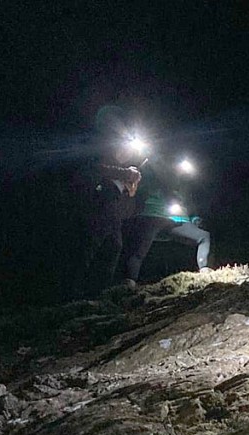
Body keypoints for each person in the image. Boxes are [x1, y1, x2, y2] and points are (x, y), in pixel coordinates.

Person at [74, 109, 144, 297]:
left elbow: (128, 198)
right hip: (96, 208)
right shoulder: (105, 155)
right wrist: (126, 173)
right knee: (89, 248)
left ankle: (98, 292)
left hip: (114, 214)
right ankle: (74, 292)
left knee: (113, 248)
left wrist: (131, 185)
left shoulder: (124, 168)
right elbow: (96, 170)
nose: (128, 152)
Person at [121, 183, 212, 287]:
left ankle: (205, 271)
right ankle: (128, 283)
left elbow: (188, 204)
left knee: (204, 236)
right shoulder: (148, 176)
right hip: (151, 217)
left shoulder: (182, 183)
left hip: (174, 220)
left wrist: (194, 218)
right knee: (138, 251)